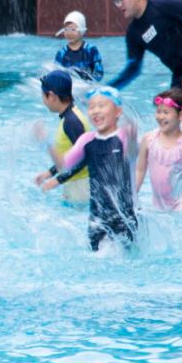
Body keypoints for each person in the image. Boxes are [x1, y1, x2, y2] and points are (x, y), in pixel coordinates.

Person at [47, 86, 138, 251]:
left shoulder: (124, 136)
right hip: (97, 218)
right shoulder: (86, 140)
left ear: (118, 111)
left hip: (124, 217)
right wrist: (45, 142)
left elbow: (133, 152)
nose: (95, 111)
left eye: (102, 106)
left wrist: (132, 131)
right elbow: (62, 164)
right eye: (91, 107)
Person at [135, 89, 182, 211]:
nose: (160, 117)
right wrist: (133, 194)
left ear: (181, 115)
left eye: (166, 112)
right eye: (158, 111)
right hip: (159, 205)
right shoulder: (148, 140)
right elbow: (140, 170)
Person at [34, 71, 90, 204]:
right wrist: (49, 173)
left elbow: (85, 157)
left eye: (43, 96)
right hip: (76, 184)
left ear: (52, 96)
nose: (43, 101)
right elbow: (70, 156)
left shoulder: (72, 121)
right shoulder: (69, 117)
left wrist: (57, 180)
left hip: (81, 187)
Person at [54, 11, 103, 81]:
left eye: (73, 29)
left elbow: (99, 72)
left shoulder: (91, 50)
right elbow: (56, 74)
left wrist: (90, 83)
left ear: (82, 30)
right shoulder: (61, 53)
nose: (69, 33)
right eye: (66, 29)